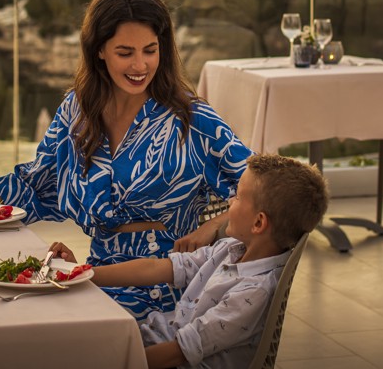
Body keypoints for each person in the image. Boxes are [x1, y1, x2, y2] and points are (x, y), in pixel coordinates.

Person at [0, 0, 252, 319]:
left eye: (150, 50)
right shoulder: (77, 111)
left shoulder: (191, 119)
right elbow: (30, 186)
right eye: (125, 52)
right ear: (98, 50)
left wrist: (214, 226)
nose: (140, 65)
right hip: (97, 278)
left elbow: (270, 191)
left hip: (166, 289)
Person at [49, 154, 329, 369]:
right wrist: (82, 273)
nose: (230, 200)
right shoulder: (230, 248)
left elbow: (178, 353)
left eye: (239, 196)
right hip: (154, 338)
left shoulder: (252, 292)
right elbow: (157, 267)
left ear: (258, 222)